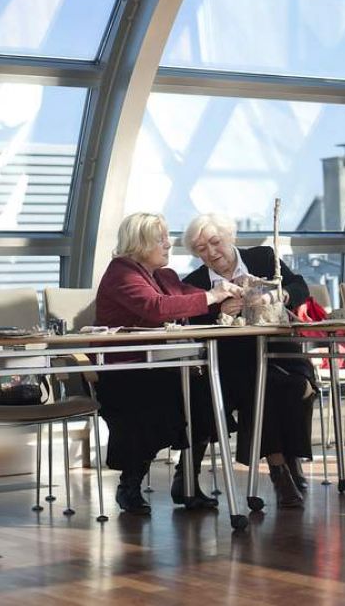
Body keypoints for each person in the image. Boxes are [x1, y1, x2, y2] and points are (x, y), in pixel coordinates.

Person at [94, 212, 240, 515]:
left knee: (208, 396)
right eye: (160, 239)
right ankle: (129, 485)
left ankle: (187, 481)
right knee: (155, 400)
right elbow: (156, 307)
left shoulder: (165, 276)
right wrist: (213, 296)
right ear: (140, 242)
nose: (168, 244)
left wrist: (230, 295)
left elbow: (192, 299)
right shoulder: (121, 273)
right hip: (125, 372)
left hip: (162, 367)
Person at [182, 213, 316, 508]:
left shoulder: (263, 258)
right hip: (232, 362)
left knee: (297, 386)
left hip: (280, 352)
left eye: (215, 242)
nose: (212, 252)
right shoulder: (195, 283)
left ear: (230, 237)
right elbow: (192, 326)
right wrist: (220, 313)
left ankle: (291, 459)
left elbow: (299, 286)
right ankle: (280, 471)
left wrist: (275, 296)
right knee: (260, 386)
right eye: (202, 249)